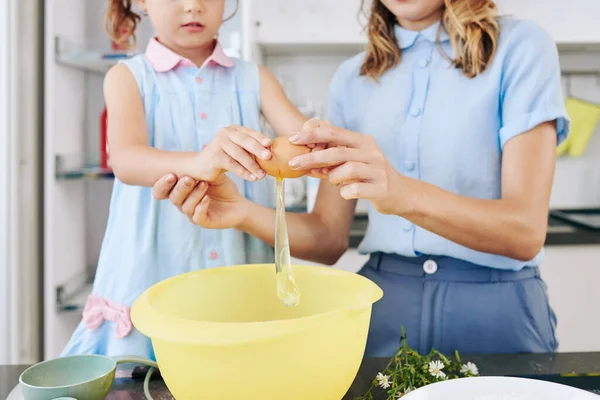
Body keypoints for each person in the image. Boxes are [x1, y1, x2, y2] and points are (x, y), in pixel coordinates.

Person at [152, 0, 570, 357]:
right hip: (383, 314)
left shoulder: (520, 47)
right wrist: (242, 212)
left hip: (498, 313)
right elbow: (328, 238)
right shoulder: (353, 79)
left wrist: (400, 192)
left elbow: (525, 231)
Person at [61, 0, 311, 360]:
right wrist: (200, 161)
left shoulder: (255, 79)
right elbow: (127, 160)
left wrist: (314, 145)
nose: (193, 6)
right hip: (150, 271)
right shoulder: (128, 77)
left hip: (237, 271)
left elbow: (299, 146)